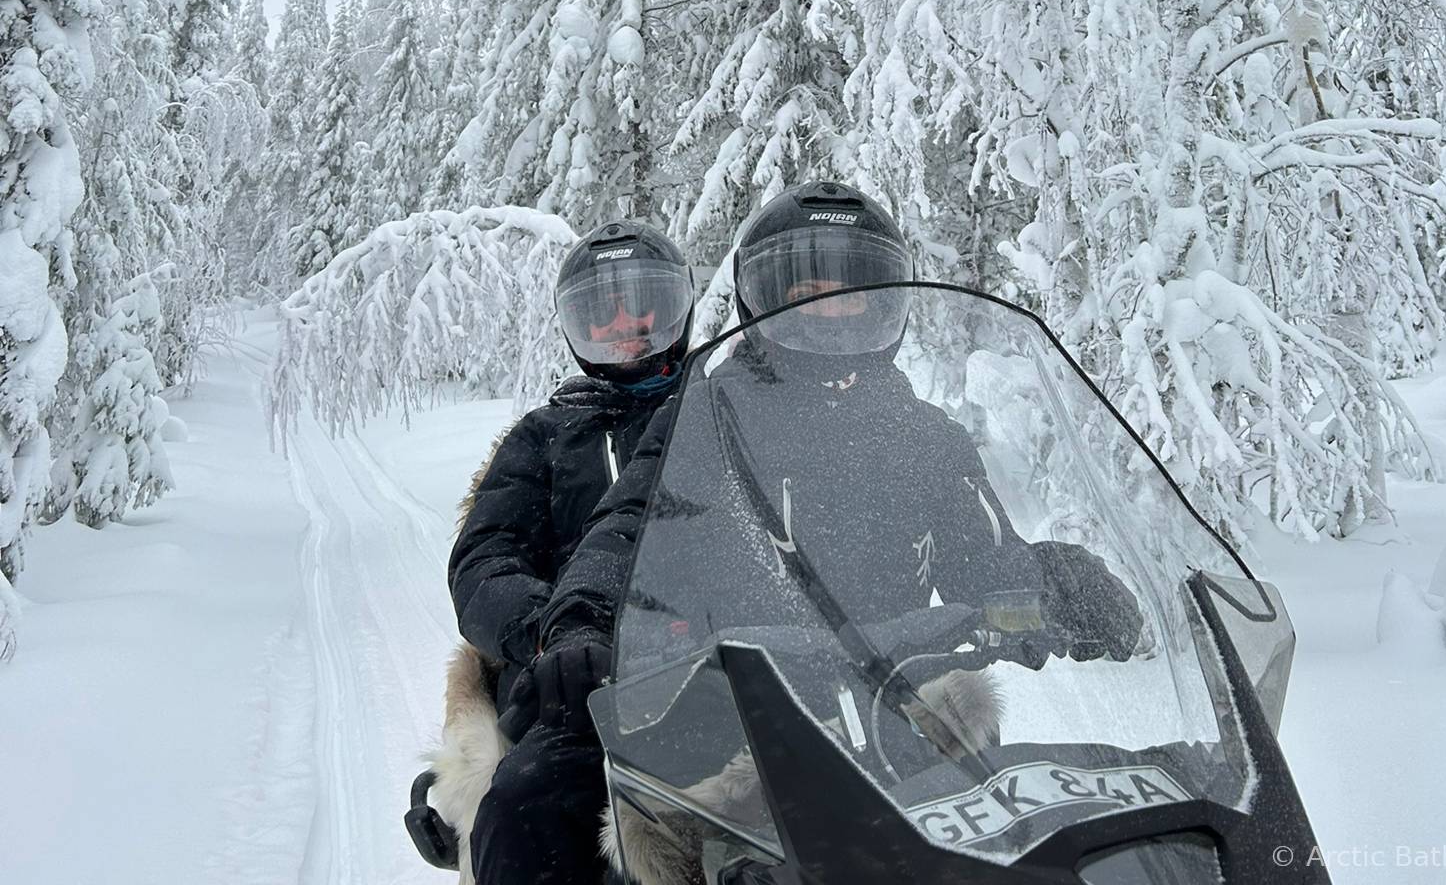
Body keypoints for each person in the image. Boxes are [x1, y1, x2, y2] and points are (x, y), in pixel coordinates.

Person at [526, 185, 1144, 880]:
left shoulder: (923, 436)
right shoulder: (706, 420)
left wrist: (1058, 583)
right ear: (762, 301)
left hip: (895, 707)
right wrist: (581, 624)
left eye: (847, 292)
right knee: (538, 814)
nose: (825, 310)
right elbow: (623, 532)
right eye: (804, 291)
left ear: (884, 300)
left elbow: (983, 560)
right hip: (734, 719)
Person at [406, 219, 695, 885]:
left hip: (720, 671)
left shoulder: (724, 412)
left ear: (678, 304)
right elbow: (483, 566)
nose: (626, 321)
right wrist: (559, 630)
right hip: (579, 691)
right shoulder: (545, 438)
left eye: (642, 301)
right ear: (577, 326)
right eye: (602, 308)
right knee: (522, 808)